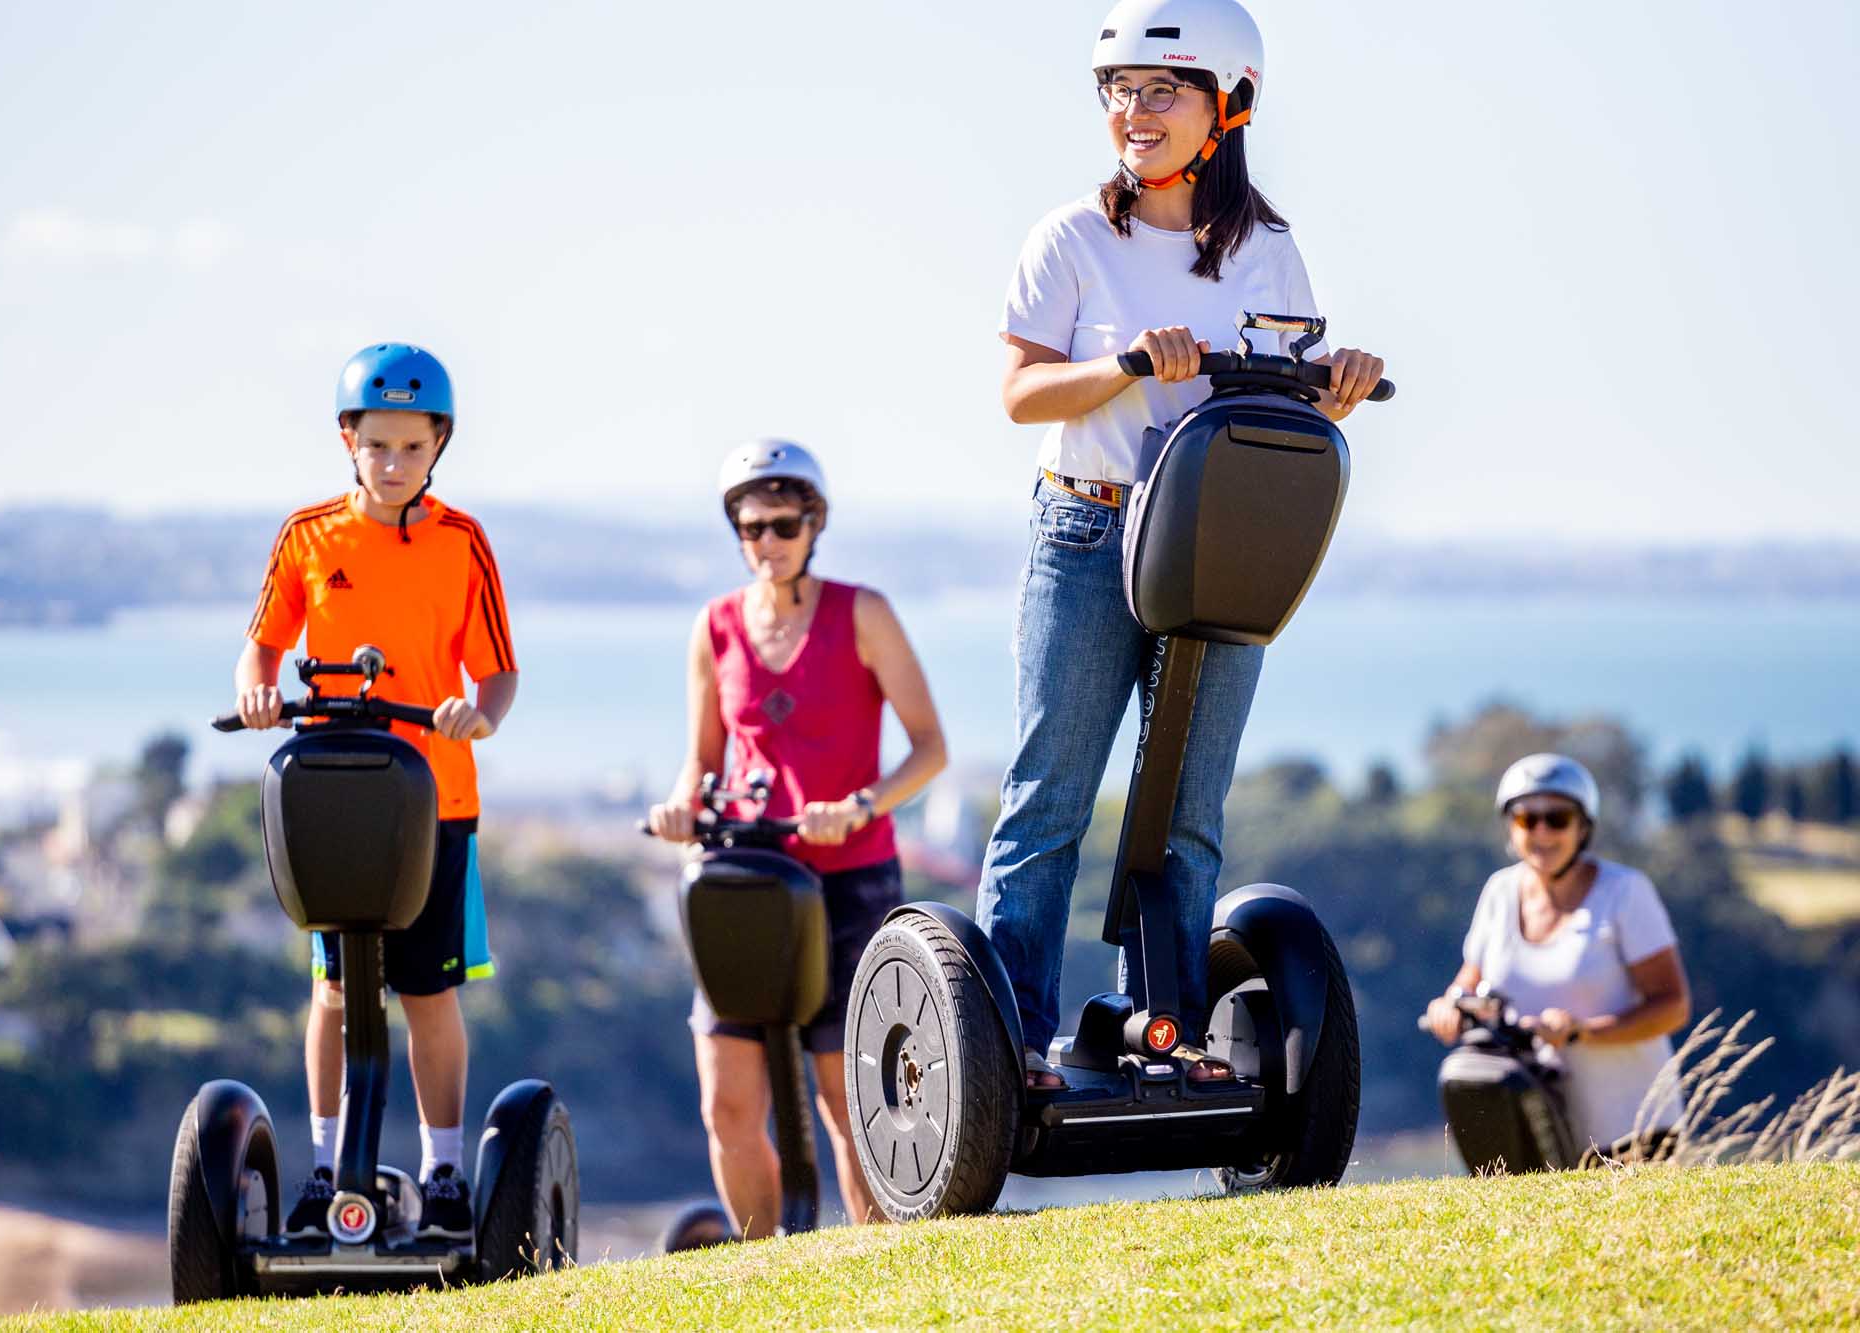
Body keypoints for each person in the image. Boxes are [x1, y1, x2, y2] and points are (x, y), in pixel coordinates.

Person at [976, 0, 1388, 1089]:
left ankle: (1164, 1026)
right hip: (1088, 526)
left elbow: (1280, 405)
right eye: (1117, 90)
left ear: (1229, 105)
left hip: (1215, 537)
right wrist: (1122, 365)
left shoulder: (1269, 253)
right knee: (1049, 796)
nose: (1132, 111)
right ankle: (1012, 1039)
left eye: (1161, 90)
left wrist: (1332, 389)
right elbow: (1018, 393)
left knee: (1188, 808)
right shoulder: (1069, 238)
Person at [233, 343, 519, 1238]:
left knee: (430, 993)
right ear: (347, 440)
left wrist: (480, 714)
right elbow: (263, 644)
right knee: (332, 990)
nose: (394, 464)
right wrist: (254, 689)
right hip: (333, 793)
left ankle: (442, 1176)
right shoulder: (308, 536)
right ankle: (322, 1172)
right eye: (377, 445)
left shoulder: (461, 542)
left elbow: (499, 671)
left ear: (440, 444)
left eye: (412, 446)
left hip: (436, 797)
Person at [647, 440, 947, 1236]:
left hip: (849, 876)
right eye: (751, 529)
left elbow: (929, 748)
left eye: (783, 525)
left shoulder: (864, 613)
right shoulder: (714, 627)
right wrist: (681, 807)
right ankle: (762, 1268)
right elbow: (701, 762)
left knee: (849, 1094)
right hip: (743, 878)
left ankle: (877, 1258)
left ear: (814, 524)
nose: (767, 543)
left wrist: (861, 802)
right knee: (727, 1100)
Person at [1424, 754, 1692, 1159]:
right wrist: (1450, 1003)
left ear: (1583, 827)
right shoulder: (1499, 892)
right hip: (1536, 1126)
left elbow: (1672, 1006)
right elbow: (1471, 978)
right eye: (1526, 819)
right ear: (1511, 828)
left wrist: (1581, 1032)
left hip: (1632, 1129)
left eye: (1558, 818)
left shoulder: (1625, 893)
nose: (1542, 831)